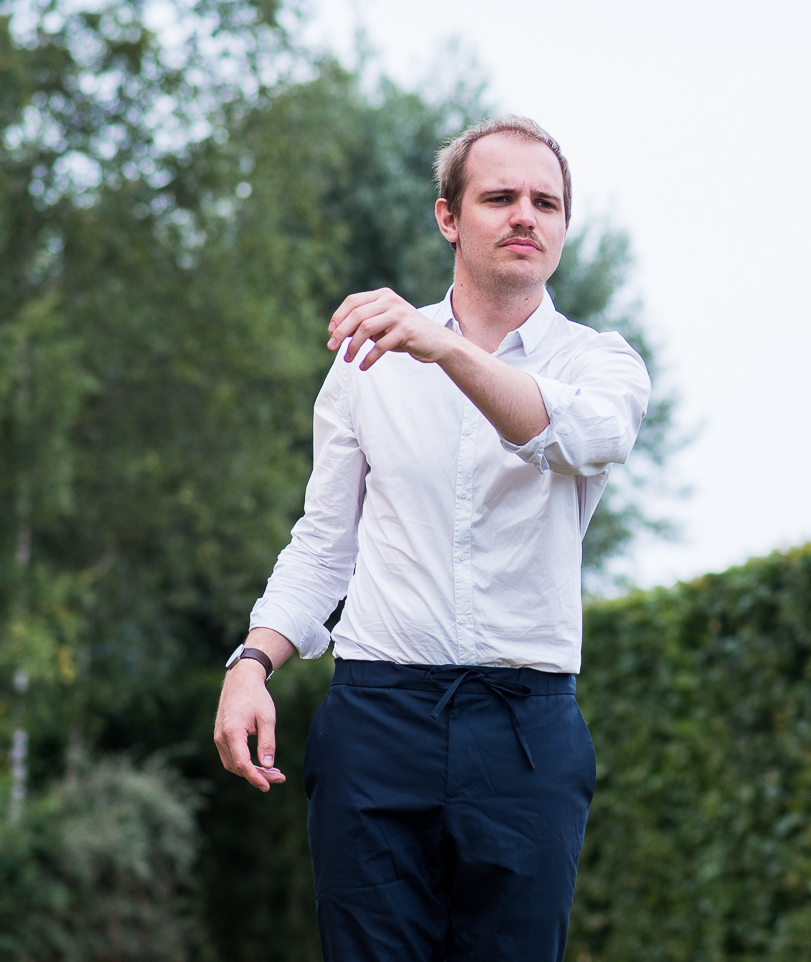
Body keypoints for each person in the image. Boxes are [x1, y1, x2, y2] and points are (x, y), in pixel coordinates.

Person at [212, 115, 651, 961]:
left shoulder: (603, 364)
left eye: (546, 202)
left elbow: (565, 434)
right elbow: (323, 543)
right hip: (377, 717)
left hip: (526, 730)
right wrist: (252, 661)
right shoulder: (366, 361)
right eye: (500, 197)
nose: (526, 214)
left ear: (563, 226)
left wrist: (444, 349)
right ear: (449, 217)